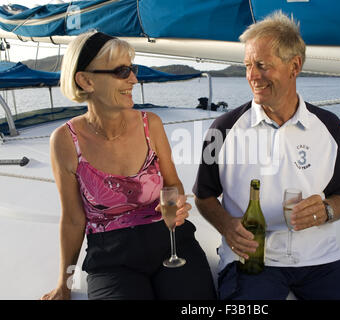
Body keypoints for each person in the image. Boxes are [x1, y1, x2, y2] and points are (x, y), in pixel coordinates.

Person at [193, 12, 340, 300]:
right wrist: (226, 225)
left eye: (262, 65)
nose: (252, 76)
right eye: (247, 66)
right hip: (250, 261)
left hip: (320, 259)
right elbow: (203, 197)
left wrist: (325, 211)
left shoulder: (329, 126)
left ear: (295, 66)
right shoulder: (223, 128)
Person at [41, 31, 216, 300]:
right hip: (111, 260)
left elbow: (172, 185)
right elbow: (74, 220)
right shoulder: (64, 141)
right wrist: (65, 283)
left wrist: (178, 203)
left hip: (172, 243)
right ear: (86, 80)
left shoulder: (152, 125)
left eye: (132, 69)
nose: (134, 78)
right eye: (122, 71)